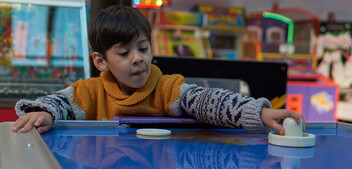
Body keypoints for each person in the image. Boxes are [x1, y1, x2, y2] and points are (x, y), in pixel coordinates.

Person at [11, 5, 305, 134]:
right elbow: (59, 101)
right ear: (101, 62)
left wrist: (260, 112)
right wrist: (45, 112)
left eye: (143, 48)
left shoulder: (167, 88)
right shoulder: (90, 92)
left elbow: (210, 101)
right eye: (124, 53)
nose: (138, 58)